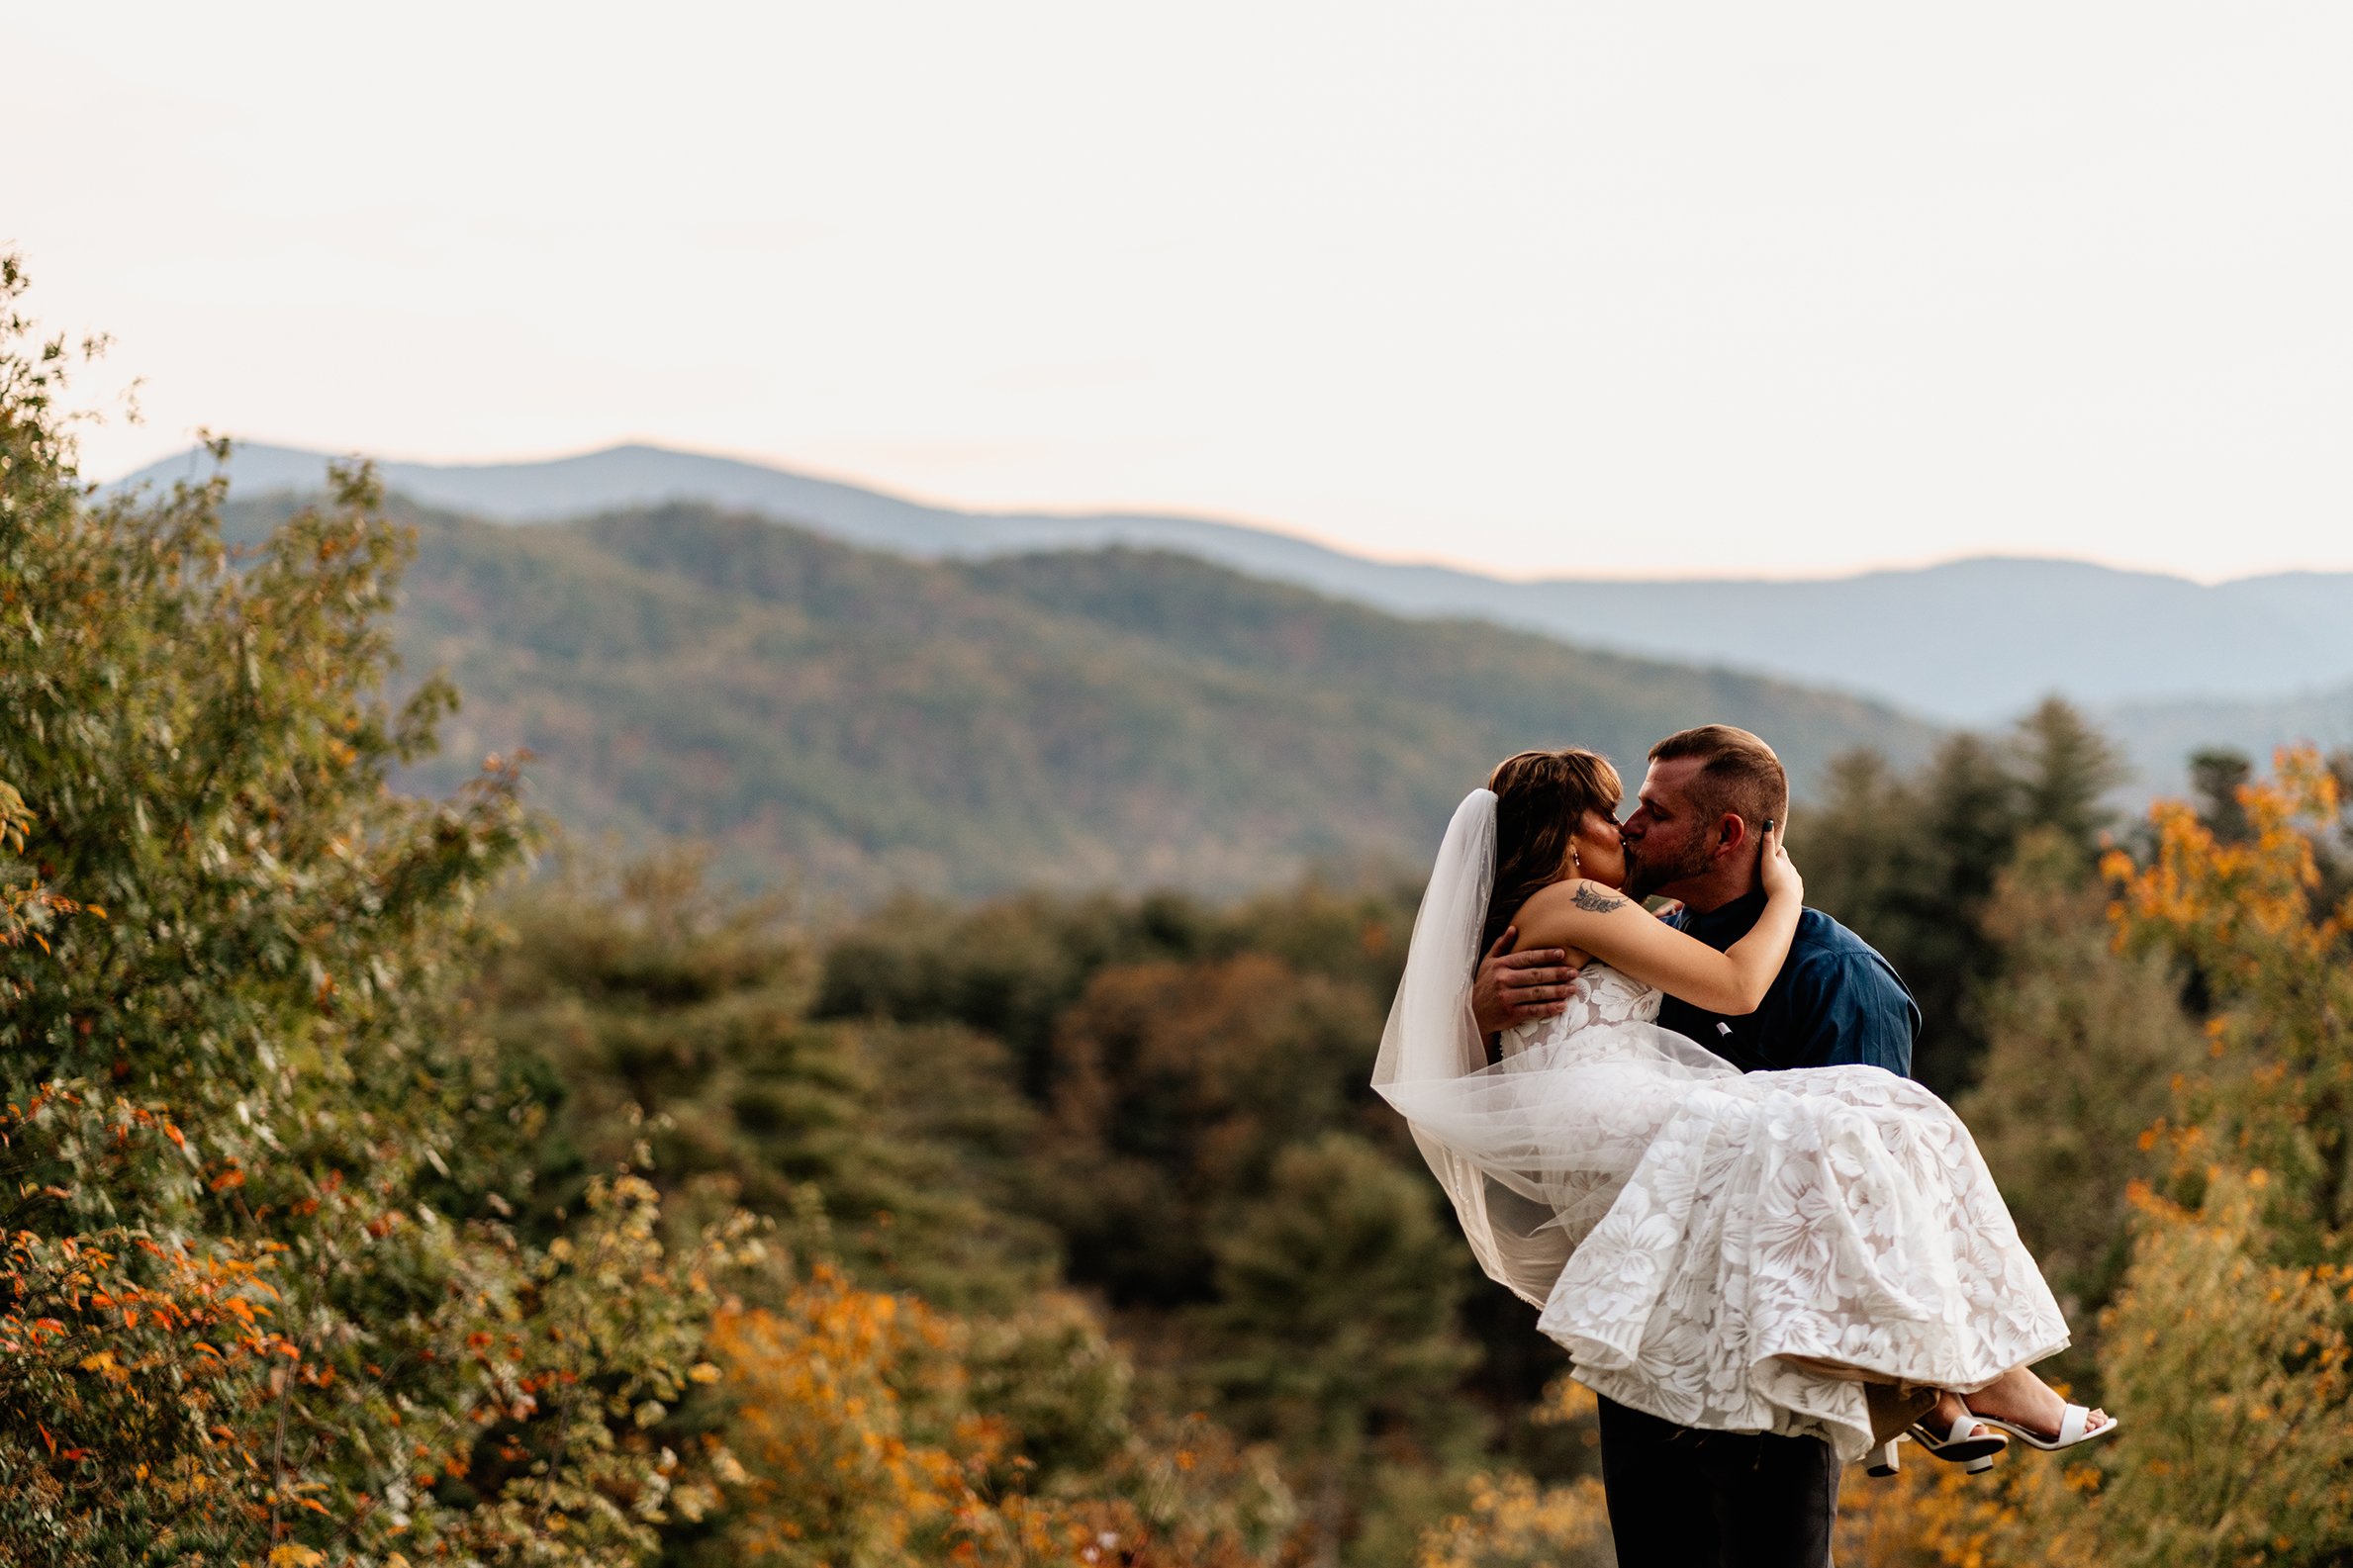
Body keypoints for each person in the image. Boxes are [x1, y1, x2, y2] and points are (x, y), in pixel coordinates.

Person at [1371, 728, 2113, 1568]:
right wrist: (1785, 890)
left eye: (1648, 811)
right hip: (1654, 1317)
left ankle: (1946, 1380)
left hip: (1766, 1361)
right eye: (1617, 812)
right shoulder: (1584, 909)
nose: (1630, 828)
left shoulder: (1833, 974)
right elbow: (1730, 986)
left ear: (1726, 833)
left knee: (1875, 1115)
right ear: (1569, 836)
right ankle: (1959, 1379)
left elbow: (1851, 1218)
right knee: (1851, 1123)